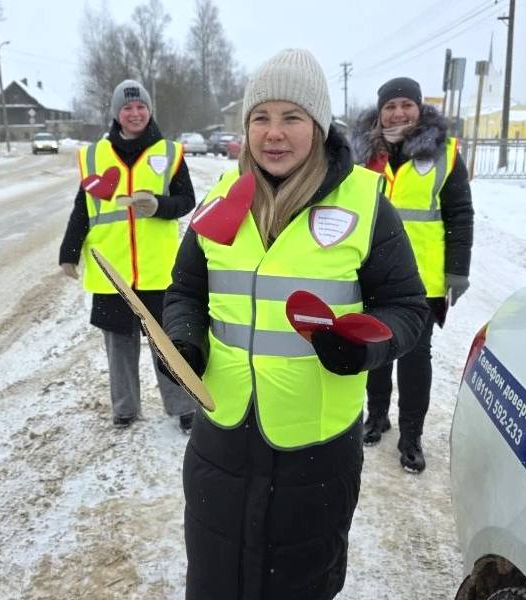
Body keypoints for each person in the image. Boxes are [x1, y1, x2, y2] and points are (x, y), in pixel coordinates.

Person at [162, 49, 428, 599]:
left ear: (319, 125)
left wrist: (365, 348)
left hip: (315, 451)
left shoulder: (365, 202)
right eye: (261, 118)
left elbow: (406, 308)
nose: (273, 134)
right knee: (214, 581)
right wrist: (183, 341)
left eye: (292, 118)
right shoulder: (220, 200)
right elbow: (185, 290)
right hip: (221, 440)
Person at [351, 76, 474, 473]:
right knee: (375, 352)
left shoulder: (445, 154)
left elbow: (459, 215)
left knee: (415, 357)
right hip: (369, 274)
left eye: (406, 104)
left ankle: (411, 436)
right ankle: (378, 416)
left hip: (421, 281)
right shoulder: (363, 155)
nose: (398, 113)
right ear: (379, 111)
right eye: (390, 106)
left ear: (420, 109)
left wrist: (457, 270)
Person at [59, 79, 196, 431]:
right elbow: (82, 210)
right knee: (119, 346)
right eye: (127, 108)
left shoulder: (169, 153)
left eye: (140, 107)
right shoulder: (95, 157)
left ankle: (182, 406)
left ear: (149, 110)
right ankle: (124, 408)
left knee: (166, 344)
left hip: (157, 270)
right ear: (117, 114)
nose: (135, 113)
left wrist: (160, 206)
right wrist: (68, 253)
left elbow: (187, 201)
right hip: (111, 272)